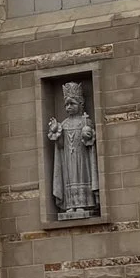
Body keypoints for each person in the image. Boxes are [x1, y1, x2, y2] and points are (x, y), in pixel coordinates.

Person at [47, 82, 101, 220]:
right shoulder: (63, 124)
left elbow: (90, 143)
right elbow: (60, 146)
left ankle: (84, 203)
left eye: (72, 103)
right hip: (68, 160)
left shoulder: (85, 121)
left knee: (82, 178)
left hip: (82, 159)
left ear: (81, 103)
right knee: (69, 179)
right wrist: (55, 132)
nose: (69, 107)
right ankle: (70, 204)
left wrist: (87, 135)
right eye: (66, 104)